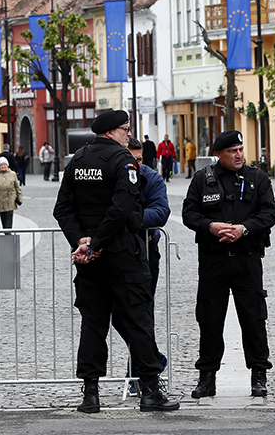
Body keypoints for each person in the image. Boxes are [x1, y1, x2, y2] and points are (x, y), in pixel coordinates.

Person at [53, 109, 178, 413]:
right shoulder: (123, 161)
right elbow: (122, 209)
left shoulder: (78, 160)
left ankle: (90, 394)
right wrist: (97, 243)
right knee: (138, 320)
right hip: (123, 252)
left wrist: (82, 241)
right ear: (111, 132)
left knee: (93, 323)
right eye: (124, 129)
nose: (127, 134)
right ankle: (150, 392)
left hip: (90, 258)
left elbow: (62, 209)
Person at [182, 130, 275, 399]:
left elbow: (269, 213)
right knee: (210, 320)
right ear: (219, 154)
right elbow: (189, 213)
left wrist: (244, 229)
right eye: (232, 151)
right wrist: (210, 226)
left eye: (240, 149)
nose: (238, 155)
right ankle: (207, 377)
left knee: (254, 319)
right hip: (214, 261)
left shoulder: (257, 178)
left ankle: (259, 375)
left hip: (247, 259)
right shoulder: (203, 179)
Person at [112, 136, 170, 386]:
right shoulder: (113, 175)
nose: (136, 164)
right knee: (117, 314)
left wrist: (129, 218)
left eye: (139, 159)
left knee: (141, 313)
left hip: (146, 252)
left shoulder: (151, 177)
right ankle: (152, 358)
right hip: (116, 251)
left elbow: (161, 211)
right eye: (131, 159)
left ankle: (139, 374)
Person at [0, 157, 23, 229]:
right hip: (1, 201)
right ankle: (6, 233)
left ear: (7, 165)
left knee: (9, 218)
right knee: (3, 219)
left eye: (4, 164)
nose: (3, 166)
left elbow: (17, 187)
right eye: (1, 165)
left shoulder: (13, 174)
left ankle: (8, 234)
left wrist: (20, 198)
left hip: (10, 200)